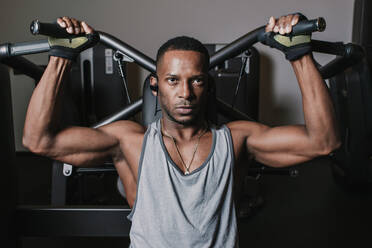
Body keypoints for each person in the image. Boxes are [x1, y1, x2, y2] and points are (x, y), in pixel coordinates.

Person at [23, 14, 340, 247]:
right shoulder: (129, 141)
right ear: (156, 85)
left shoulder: (238, 139)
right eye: (173, 80)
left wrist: (299, 55)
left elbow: (323, 142)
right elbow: (38, 141)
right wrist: (60, 58)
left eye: (196, 80)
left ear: (208, 86)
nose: (185, 93)